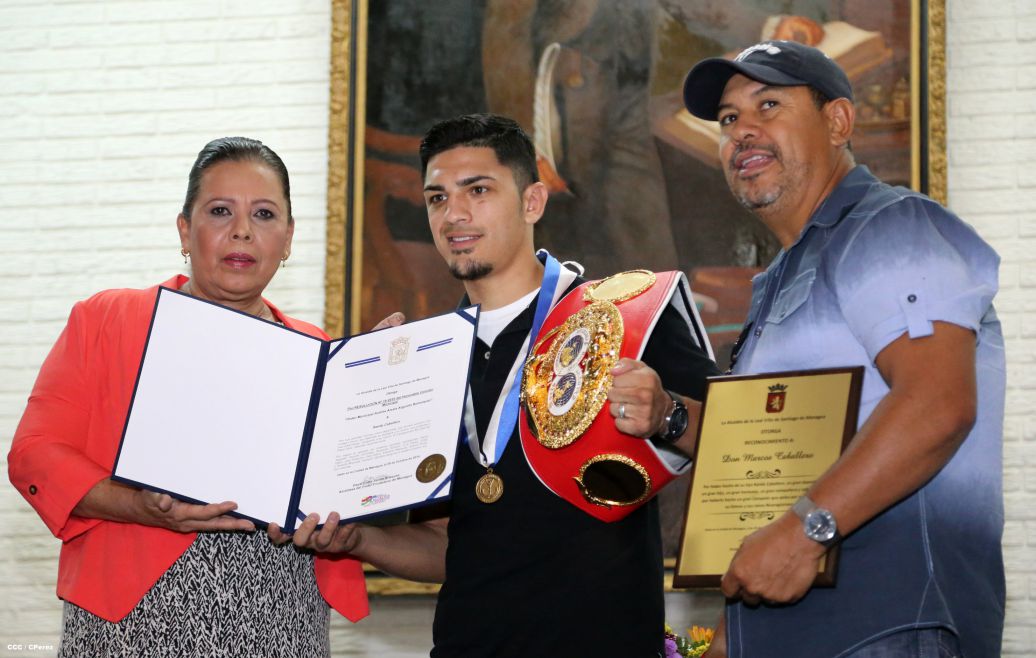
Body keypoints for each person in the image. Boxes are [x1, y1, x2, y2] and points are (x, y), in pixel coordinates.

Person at [273, 113, 721, 656]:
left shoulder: (624, 315)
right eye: (437, 198)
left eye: (477, 190)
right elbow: (448, 548)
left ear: (532, 202)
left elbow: (742, 447)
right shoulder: (424, 359)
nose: (454, 214)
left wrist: (669, 413)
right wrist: (359, 540)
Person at [680, 41, 1005, 657]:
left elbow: (937, 403)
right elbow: (769, 453)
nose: (742, 131)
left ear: (838, 121)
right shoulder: (783, 276)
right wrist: (667, 416)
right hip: (795, 632)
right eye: (727, 120)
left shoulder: (891, 225)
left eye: (768, 104)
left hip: (887, 626)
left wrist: (806, 532)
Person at [8, 137, 369, 656]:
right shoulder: (108, 320)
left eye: (264, 214)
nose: (242, 230)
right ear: (185, 229)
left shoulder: (319, 353)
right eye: (220, 210)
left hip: (282, 617)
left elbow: (345, 492)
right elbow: (34, 455)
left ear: (288, 239)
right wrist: (140, 507)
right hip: (131, 620)